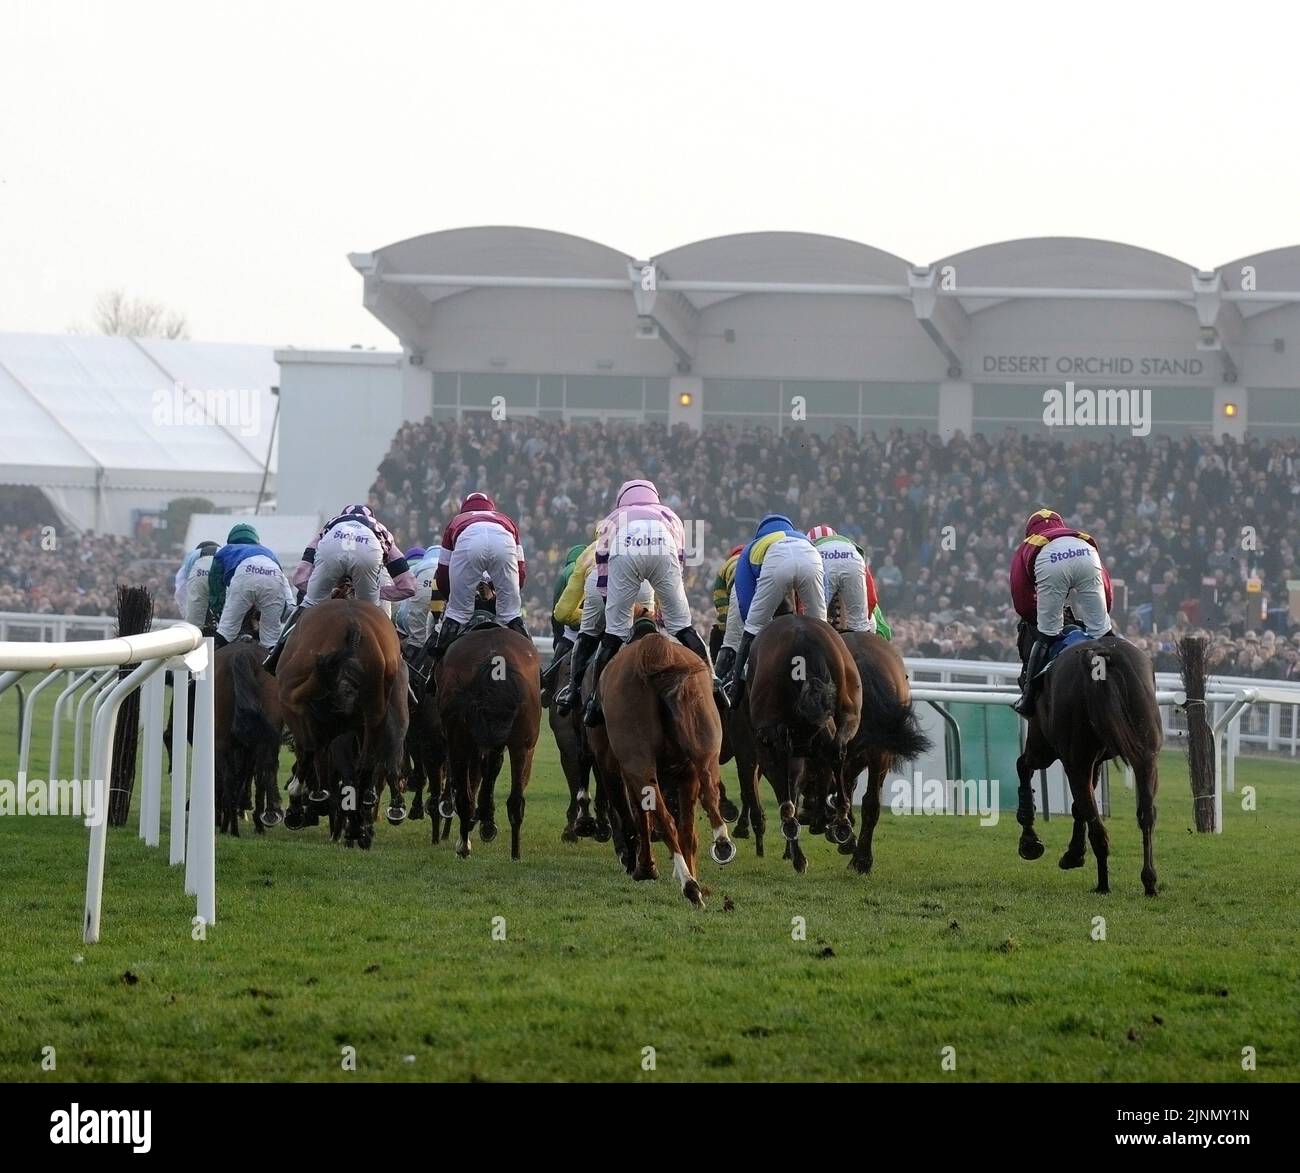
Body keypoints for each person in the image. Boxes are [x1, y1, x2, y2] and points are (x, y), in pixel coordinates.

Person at [582, 478, 720, 727]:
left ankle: (593, 700)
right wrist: (671, 611)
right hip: (663, 547)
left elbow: (603, 567)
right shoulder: (669, 514)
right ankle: (714, 680)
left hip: (625, 551)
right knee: (684, 627)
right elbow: (680, 562)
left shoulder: (612, 518)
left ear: (622, 499)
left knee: (614, 634)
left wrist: (610, 603)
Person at [264, 504, 416, 674]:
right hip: (369, 551)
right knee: (373, 615)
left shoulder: (331, 524)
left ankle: (277, 652)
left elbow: (300, 578)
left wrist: (327, 592)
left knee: (308, 604)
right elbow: (408, 587)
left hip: (332, 546)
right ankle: (396, 664)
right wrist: (374, 591)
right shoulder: (381, 530)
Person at [1010, 508, 1115, 716]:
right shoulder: (1076, 536)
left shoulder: (1030, 543)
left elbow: (1020, 593)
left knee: (1047, 634)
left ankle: (1028, 696)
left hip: (1050, 561)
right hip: (1087, 554)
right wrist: (1102, 620)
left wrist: (1035, 619)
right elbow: (1106, 588)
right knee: (1103, 633)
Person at [722, 513, 827, 706]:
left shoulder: (752, 547)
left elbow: (745, 598)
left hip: (777, 564)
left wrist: (755, 625)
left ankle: (734, 691)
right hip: (811, 559)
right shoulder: (803, 538)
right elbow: (824, 583)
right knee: (821, 629)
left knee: (752, 626)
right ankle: (827, 682)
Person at [427, 491, 528, 664]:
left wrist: (452, 596)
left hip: (468, 541)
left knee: (458, 613)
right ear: (492, 509)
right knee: (511, 613)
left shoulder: (456, 521)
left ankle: (437, 663)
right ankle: (533, 663)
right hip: (503, 542)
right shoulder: (506, 520)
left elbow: (443, 570)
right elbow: (520, 570)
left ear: (464, 510)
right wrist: (507, 594)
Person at [207, 524, 294, 650]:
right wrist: (287, 610)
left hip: (245, 577)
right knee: (270, 640)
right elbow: (283, 582)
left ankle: (206, 666)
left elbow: (216, 588)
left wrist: (219, 611)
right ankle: (276, 667)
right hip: (273, 577)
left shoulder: (226, 550)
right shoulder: (268, 552)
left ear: (231, 540)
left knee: (226, 631)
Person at [806, 524, 879, 634]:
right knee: (861, 625)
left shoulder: (811, 550)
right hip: (853, 556)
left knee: (816, 625)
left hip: (821, 557)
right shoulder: (849, 546)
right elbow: (871, 598)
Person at [541, 542, 589, 693]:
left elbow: (557, 612)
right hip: (599, 624)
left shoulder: (566, 572)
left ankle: (548, 689)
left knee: (553, 671)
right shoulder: (597, 565)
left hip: (573, 631)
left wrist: (558, 639)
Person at [710, 544, 745, 677]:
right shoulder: (755, 558)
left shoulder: (725, 566)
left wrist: (725, 625)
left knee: (718, 635)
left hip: (736, 606)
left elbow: (720, 600)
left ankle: (717, 680)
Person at [174, 540, 218, 631]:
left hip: (197, 576)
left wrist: (188, 615)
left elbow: (181, 592)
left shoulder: (190, 559)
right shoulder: (222, 552)